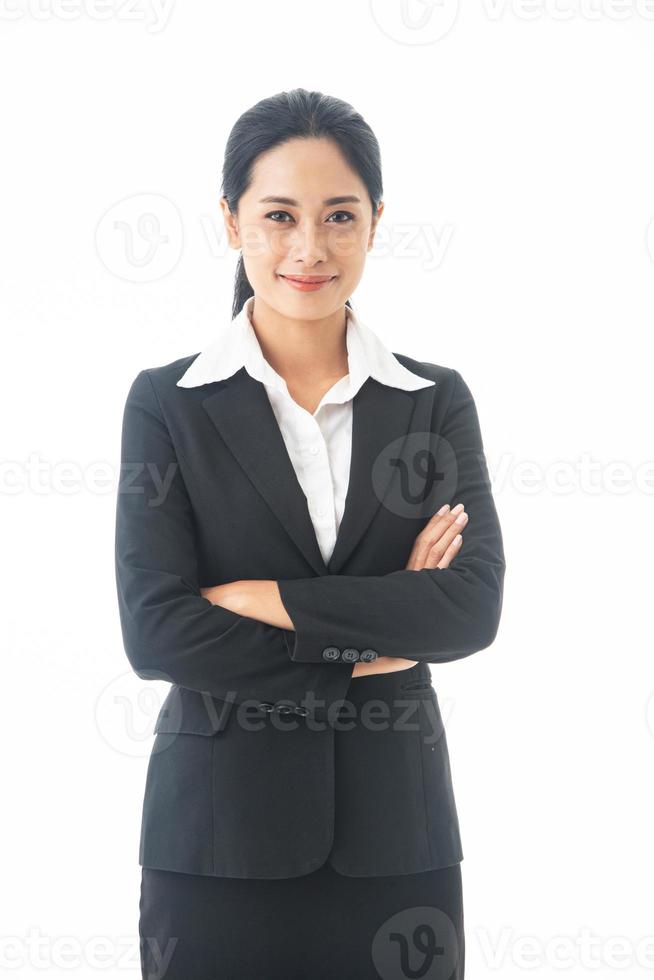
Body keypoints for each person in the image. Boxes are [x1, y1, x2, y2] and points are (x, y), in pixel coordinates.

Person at [115, 87, 506, 979]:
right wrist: (373, 636)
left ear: (375, 222)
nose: (309, 247)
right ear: (229, 222)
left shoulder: (431, 399)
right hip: (216, 840)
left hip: (396, 843)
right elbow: (157, 630)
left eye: (339, 215)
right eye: (278, 215)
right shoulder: (167, 404)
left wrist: (266, 600)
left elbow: (468, 610)